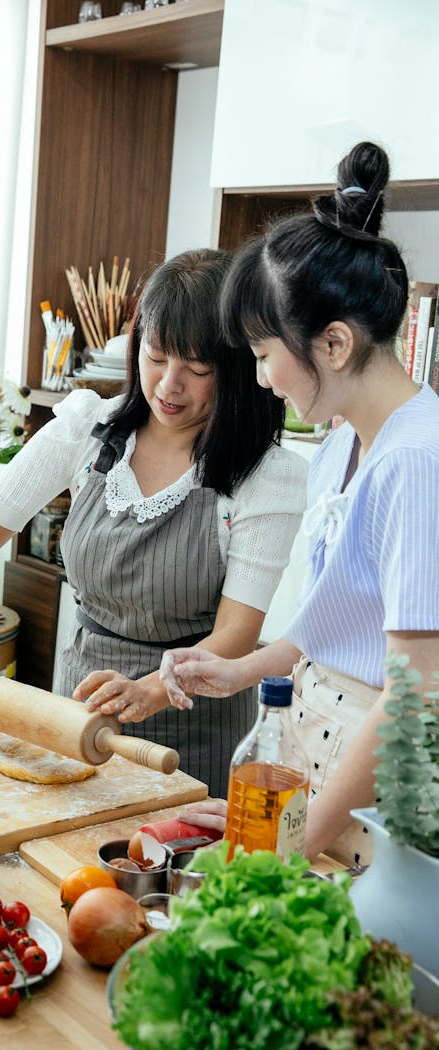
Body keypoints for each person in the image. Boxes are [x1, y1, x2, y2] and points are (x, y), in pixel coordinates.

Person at [0, 248, 308, 794]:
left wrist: (148, 692)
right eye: (157, 357)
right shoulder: (86, 430)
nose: (168, 385)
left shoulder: (265, 478)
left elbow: (236, 635)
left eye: (197, 369)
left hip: (195, 726)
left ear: (236, 369)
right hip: (77, 709)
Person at [138, 142, 439, 865]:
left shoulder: (418, 464)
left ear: (333, 344)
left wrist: (297, 836)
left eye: (264, 353)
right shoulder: (340, 445)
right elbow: (335, 625)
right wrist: (243, 671)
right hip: (313, 738)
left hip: (375, 772)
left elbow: (414, 695)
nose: (262, 377)